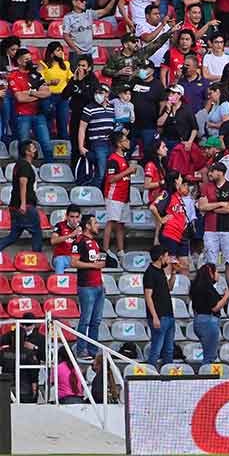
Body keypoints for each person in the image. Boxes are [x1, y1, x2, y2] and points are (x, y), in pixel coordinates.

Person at [69, 213, 103, 360]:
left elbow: (97, 262)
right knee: (86, 320)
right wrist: (93, 265)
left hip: (99, 286)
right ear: (87, 226)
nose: (98, 225)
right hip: (86, 287)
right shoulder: (79, 242)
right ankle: (81, 350)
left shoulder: (95, 243)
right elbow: (74, 263)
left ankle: (93, 350)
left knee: (96, 321)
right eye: (95, 223)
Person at [0, 141, 43, 252]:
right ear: (27, 152)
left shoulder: (19, 164)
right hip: (25, 206)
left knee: (13, 236)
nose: (35, 151)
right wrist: (23, 204)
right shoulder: (24, 165)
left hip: (14, 206)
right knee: (37, 233)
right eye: (33, 148)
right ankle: (37, 258)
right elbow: (22, 183)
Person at [103, 132, 134, 263]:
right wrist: (128, 171)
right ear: (118, 144)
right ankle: (105, 249)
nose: (128, 142)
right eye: (125, 140)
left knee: (121, 224)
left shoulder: (124, 158)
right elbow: (111, 179)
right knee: (111, 222)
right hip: (114, 196)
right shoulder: (112, 160)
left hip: (124, 197)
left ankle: (121, 251)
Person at [151, 171, 191, 270]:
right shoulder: (166, 193)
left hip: (182, 235)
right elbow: (152, 207)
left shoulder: (177, 194)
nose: (182, 180)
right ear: (176, 181)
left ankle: (184, 285)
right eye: (180, 177)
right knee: (168, 265)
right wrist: (160, 220)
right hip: (170, 234)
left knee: (184, 266)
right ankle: (165, 285)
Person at [143, 245, 176, 366]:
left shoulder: (161, 271)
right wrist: (155, 317)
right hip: (159, 317)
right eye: (167, 256)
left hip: (169, 315)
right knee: (156, 350)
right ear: (160, 257)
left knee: (169, 350)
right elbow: (148, 296)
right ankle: (150, 375)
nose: (168, 259)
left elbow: (169, 287)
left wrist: (173, 273)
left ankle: (168, 377)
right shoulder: (149, 273)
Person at [190, 262, 229, 364]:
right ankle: (205, 376)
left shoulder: (195, 287)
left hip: (198, 321)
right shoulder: (208, 288)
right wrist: (226, 296)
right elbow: (215, 307)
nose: (218, 274)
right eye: (216, 271)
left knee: (208, 353)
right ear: (210, 273)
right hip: (209, 322)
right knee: (210, 356)